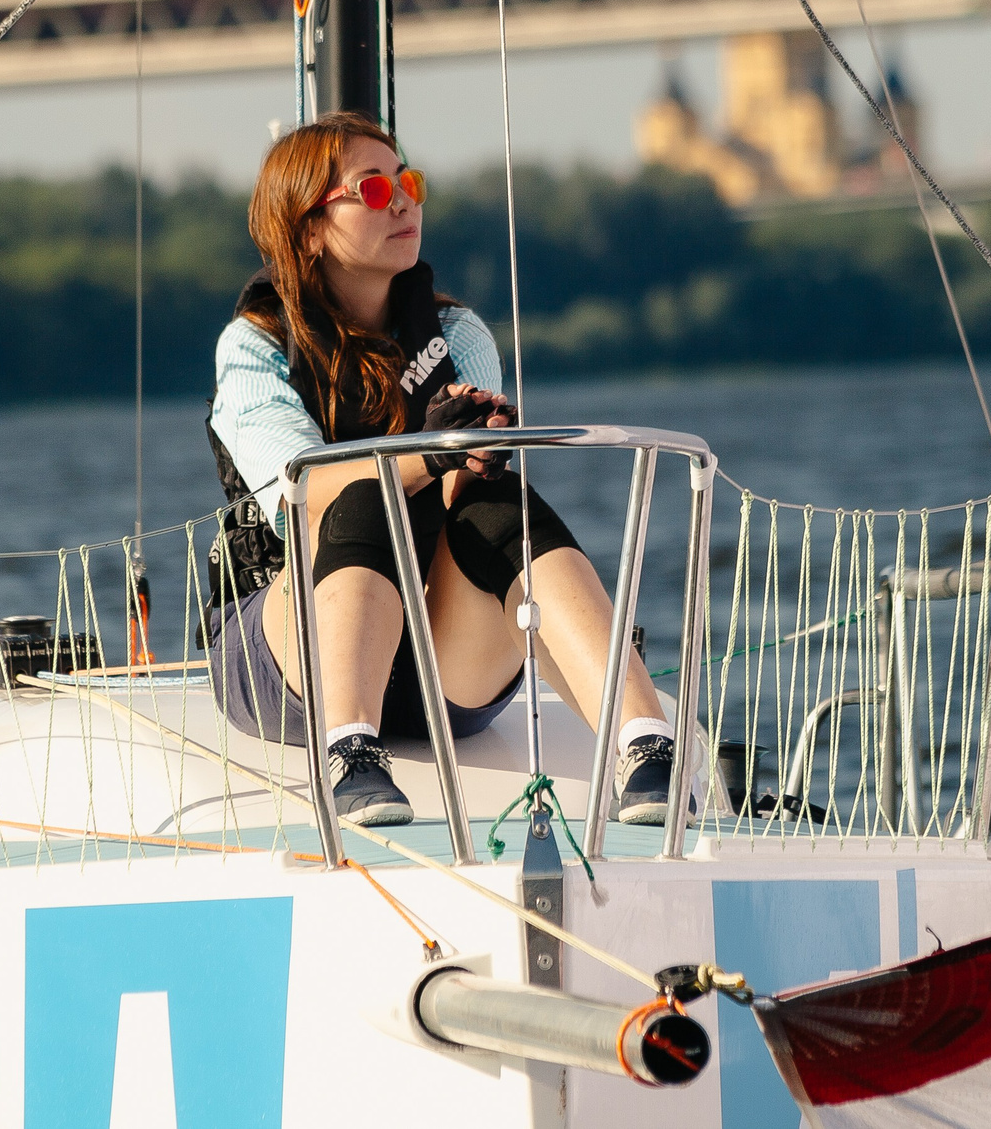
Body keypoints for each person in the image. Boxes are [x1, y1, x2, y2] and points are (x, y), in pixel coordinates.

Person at [206, 111, 682, 827]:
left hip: (437, 656)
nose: (402, 200)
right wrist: (424, 453)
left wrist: (473, 453)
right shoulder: (256, 346)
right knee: (363, 493)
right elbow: (299, 493)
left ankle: (645, 742)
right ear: (308, 228)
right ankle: (350, 752)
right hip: (287, 658)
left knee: (496, 496)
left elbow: (465, 506)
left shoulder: (456, 335)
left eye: (409, 181)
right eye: (372, 189)